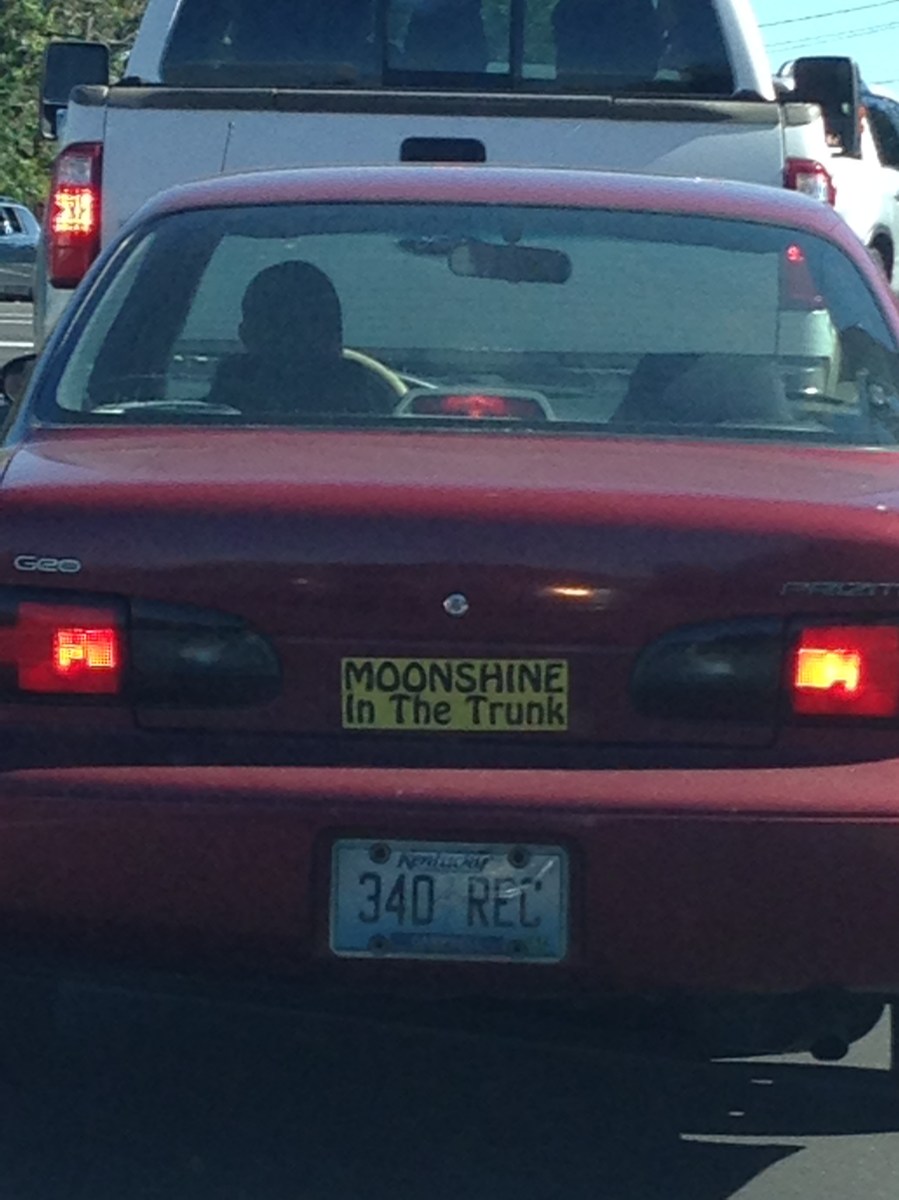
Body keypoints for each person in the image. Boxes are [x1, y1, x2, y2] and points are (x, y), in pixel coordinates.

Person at [208, 260, 393, 419]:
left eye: (314, 323)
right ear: (336, 336)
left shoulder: (202, 422)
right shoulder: (390, 420)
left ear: (246, 334)